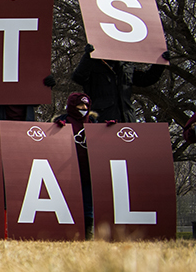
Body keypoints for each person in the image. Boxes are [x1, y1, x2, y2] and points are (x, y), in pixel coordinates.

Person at [70, 43, 167, 123]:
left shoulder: (126, 65)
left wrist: (160, 63)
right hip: (102, 119)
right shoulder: (93, 62)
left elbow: (146, 79)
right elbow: (78, 78)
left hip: (127, 119)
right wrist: (87, 56)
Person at [54, 91, 98, 234]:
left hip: (89, 172)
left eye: (86, 105)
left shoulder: (94, 123)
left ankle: (87, 234)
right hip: (68, 172)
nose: (83, 107)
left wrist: (109, 130)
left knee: (88, 205)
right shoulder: (62, 122)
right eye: (80, 104)